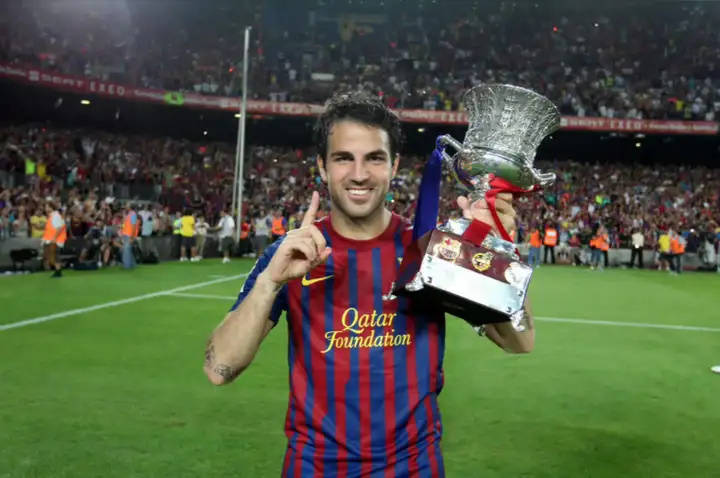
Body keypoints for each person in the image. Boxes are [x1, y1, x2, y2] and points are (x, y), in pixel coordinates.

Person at [203, 92, 533, 477]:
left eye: (374, 158)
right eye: (344, 158)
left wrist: (495, 256)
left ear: (394, 165)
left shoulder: (431, 249)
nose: (359, 174)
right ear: (323, 166)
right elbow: (219, 369)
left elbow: (519, 341)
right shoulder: (290, 254)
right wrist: (269, 283)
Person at [42, 201, 67, 278]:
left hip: (55, 240)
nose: (45, 208)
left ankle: (58, 271)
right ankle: (58, 271)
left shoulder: (55, 216)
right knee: (54, 256)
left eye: (46, 207)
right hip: (52, 239)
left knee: (55, 256)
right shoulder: (53, 216)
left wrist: (54, 238)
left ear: (51, 207)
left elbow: (59, 228)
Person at [120, 203, 139, 269]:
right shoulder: (129, 214)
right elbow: (125, 225)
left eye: (127, 205)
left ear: (130, 207)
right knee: (128, 250)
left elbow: (133, 226)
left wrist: (132, 237)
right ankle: (133, 264)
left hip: (129, 235)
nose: (125, 207)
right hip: (126, 234)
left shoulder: (133, 214)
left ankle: (127, 266)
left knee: (126, 250)